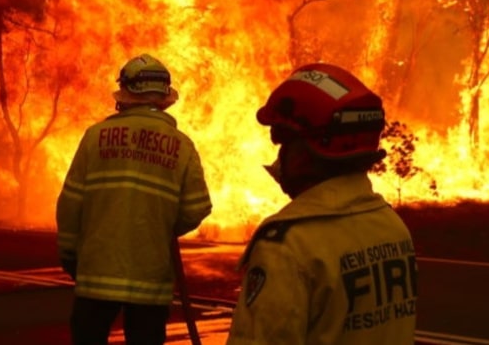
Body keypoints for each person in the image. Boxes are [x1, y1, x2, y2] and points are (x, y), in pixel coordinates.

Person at [226, 63, 417, 344]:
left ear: (308, 150)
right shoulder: (392, 227)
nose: (281, 156)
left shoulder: (289, 246)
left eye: (284, 142)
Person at [56, 53, 213, 345]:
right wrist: (160, 223)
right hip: (149, 280)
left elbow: (71, 201)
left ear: (124, 95)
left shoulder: (95, 136)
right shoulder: (183, 147)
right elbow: (197, 207)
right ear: (165, 98)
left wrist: (68, 251)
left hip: (96, 275)